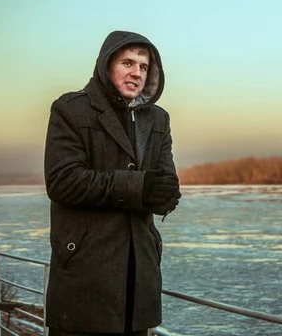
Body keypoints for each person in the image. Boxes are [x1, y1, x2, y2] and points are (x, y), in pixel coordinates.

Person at [44, 30, 181, 335]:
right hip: (85, 279)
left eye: (144, 67)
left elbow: (166, 179)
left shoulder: (158, 119)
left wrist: (166, 196)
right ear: (107, 65)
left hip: (140, 282)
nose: (136, 73)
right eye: (128, 63)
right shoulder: (70, 109)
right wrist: (138, 187)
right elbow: (62, 181)